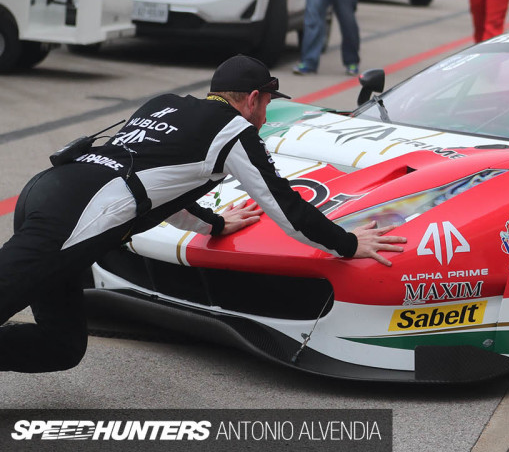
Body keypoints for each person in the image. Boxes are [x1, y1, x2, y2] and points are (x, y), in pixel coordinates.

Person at [0, 55, 404, 373]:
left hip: (50, 188)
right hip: (76, 214)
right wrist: (347, 244)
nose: (265, 117)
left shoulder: (165, 104)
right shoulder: (233, 130)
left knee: (62, 345)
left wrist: (214, 224)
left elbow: (159, 188)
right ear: (252, 99)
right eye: (266, 105)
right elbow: (285, 204)